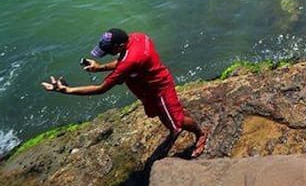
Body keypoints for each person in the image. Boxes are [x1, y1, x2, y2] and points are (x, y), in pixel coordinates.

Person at [42, 29, 207, 158]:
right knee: (159, 113)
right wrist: (99, 67)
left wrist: (67, 90)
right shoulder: (139, 37)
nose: (107, 53)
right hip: (148, 85)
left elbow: (102, 88)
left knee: (177, 120)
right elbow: (125, 60)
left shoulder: (129, 61)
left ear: (120, 46)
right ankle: (173, 129)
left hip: (158, 88)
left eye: (109, 50)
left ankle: (200, 134)